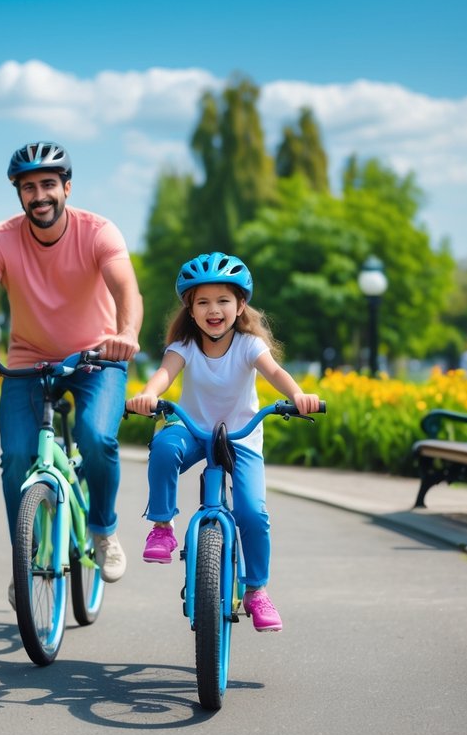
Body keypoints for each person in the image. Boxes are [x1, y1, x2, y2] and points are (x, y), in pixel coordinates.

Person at [0, 141, 142, 593]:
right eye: (29, 187)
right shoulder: (1, 238)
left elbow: (126, 292)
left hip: (97, 358)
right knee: (16, 457)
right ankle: (28, 555)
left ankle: (103, 529)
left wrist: (127, 334)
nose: (40, 195)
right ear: (19, 194)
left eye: (49, 185)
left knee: (97, 438)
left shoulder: (99, 232)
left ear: (67, 188)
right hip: (27, 361)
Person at [125, 252, 321, 632]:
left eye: (223, 301)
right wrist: (147, 395)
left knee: (252, 514)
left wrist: (298, 395)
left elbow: (275, 372)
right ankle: (162, 527)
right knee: (164, 447)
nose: (213, 310)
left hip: (241, 436)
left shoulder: (249, 345)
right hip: (194, 428)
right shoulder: (184, 346)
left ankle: (257, 591)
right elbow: (164, 375)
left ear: (240, 304)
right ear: (191, 309)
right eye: (203, 302)